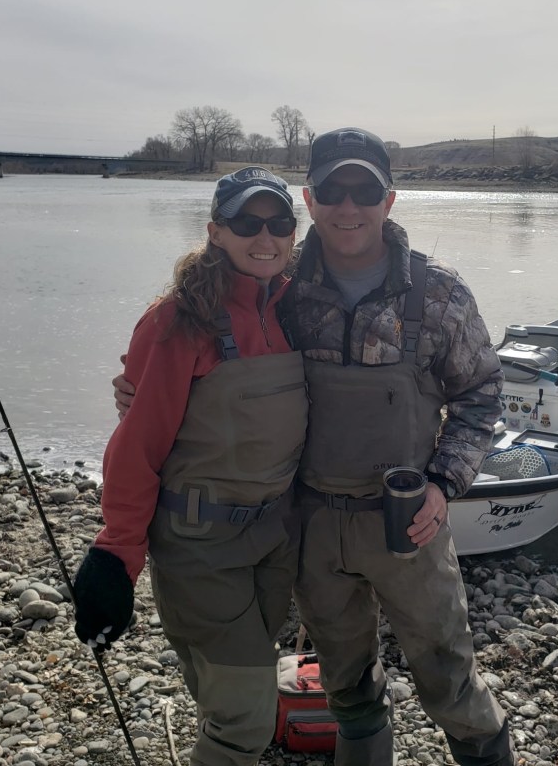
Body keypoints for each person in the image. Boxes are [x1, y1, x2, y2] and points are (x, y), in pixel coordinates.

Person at [114, 129, 515, 766]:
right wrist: (142, 392)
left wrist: (444, 484)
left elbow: (482, 395)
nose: (348, 206)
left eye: (365, 191)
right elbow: (201, 354)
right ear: (310, 198)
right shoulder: (279, 280)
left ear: (389, 200)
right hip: (308, 527)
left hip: (407, 522)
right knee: (346, 684)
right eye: (333, 190)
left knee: (451, 681)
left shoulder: (438, 292)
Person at [76, 167, 308, 766]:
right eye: (245, 222)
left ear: (293, 232)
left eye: (278, 223)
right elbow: (136, 447)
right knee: (245, 721)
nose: (264, 236)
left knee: (232, 691)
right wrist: (116, 556)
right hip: (200, 547)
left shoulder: (299, 308)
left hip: (274, 541)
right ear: (215, 231)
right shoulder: (178, 320)